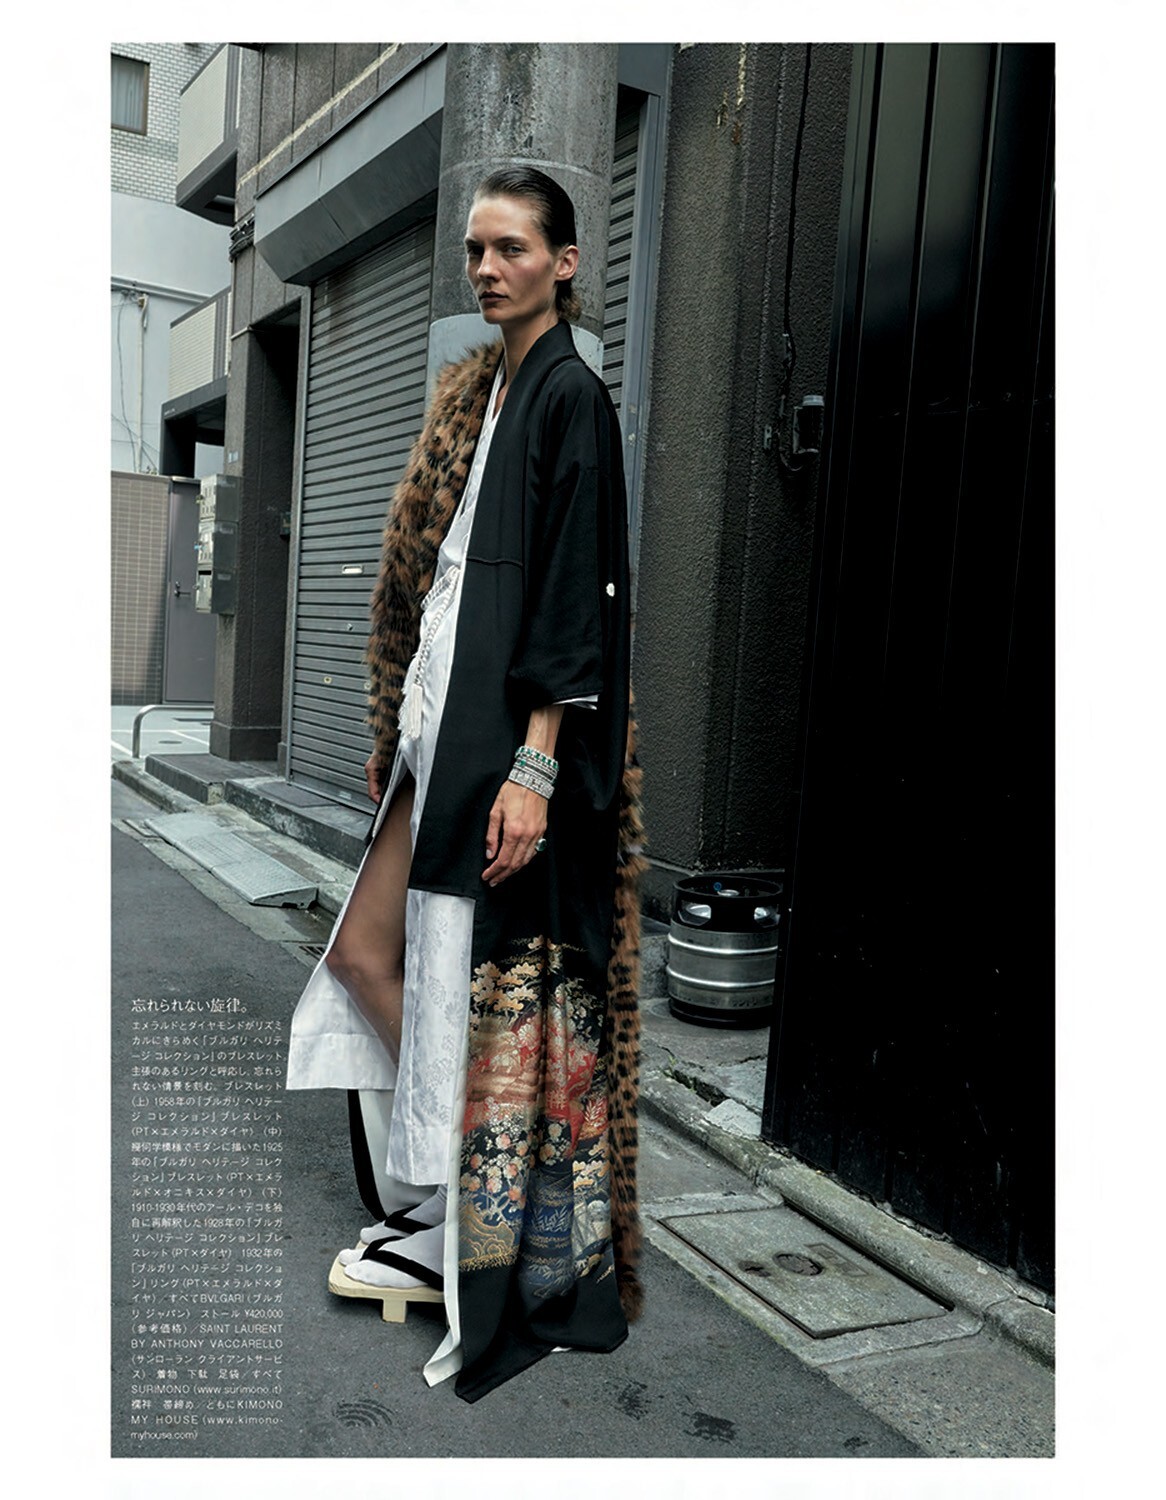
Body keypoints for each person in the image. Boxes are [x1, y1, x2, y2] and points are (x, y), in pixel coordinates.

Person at [285, 165, 646, 1403]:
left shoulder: (569, 395)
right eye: (477, 250)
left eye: (511, 249)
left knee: (456, 982)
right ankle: (450, 1192)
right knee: (366, 955)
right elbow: (440, 580)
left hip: (499, 750)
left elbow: (570, 592)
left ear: (564, 263)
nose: (486, 268)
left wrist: (536, 765)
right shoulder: (490, 386)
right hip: (440, 735)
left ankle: (463, 1225)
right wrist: (403, 725)